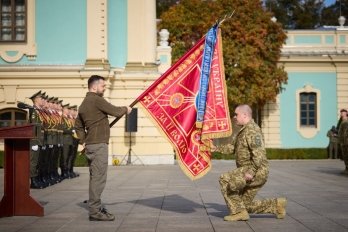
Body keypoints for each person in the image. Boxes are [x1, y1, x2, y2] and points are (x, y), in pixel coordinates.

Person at [75, 75, 132, 221]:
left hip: (91, 145)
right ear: (94, 87)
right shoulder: (96, 99)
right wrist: (126, 109)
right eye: (103, 86)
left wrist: (83, 141)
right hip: (99, 145)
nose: (105, 88)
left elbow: (78, 126)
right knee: (98, 179)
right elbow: (115, 111)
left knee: (95, 177)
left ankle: (96, 206)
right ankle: (95, 212)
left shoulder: (84, 103)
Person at [219, 104, 287, 221]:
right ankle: (277, 205)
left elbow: (259, 154)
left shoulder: (253, 130)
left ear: (245, 115)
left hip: (256, 172)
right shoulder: (243, 130)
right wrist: (212, 148)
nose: (234, 117)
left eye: (236, 114)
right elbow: (231, 148)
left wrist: (251, 171)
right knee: (242, 205)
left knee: (224, 179)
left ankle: (239, 213)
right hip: (250, 170)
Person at [338, 109, 348, 175]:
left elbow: (345, 132)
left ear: (346, 113)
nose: (341, 114)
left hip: (346, 141)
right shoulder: (342, 121)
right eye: (341, 113)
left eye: (343, 113)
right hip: (343, 141)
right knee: (345, 156)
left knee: (346, 155)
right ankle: (347, 168)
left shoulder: (346, 122)